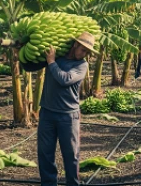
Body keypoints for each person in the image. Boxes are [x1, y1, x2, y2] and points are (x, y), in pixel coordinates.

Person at [38, 32, 97, 186]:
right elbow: (33, 64)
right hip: (47, 113)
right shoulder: (57, 57)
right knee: (45, 154)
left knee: (71, 156)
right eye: (83, 50)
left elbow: (65, 79)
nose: (85, 54)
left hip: (68, 116)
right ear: (75, 45)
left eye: (87, 52)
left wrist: (51, 62)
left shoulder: (82, 65)